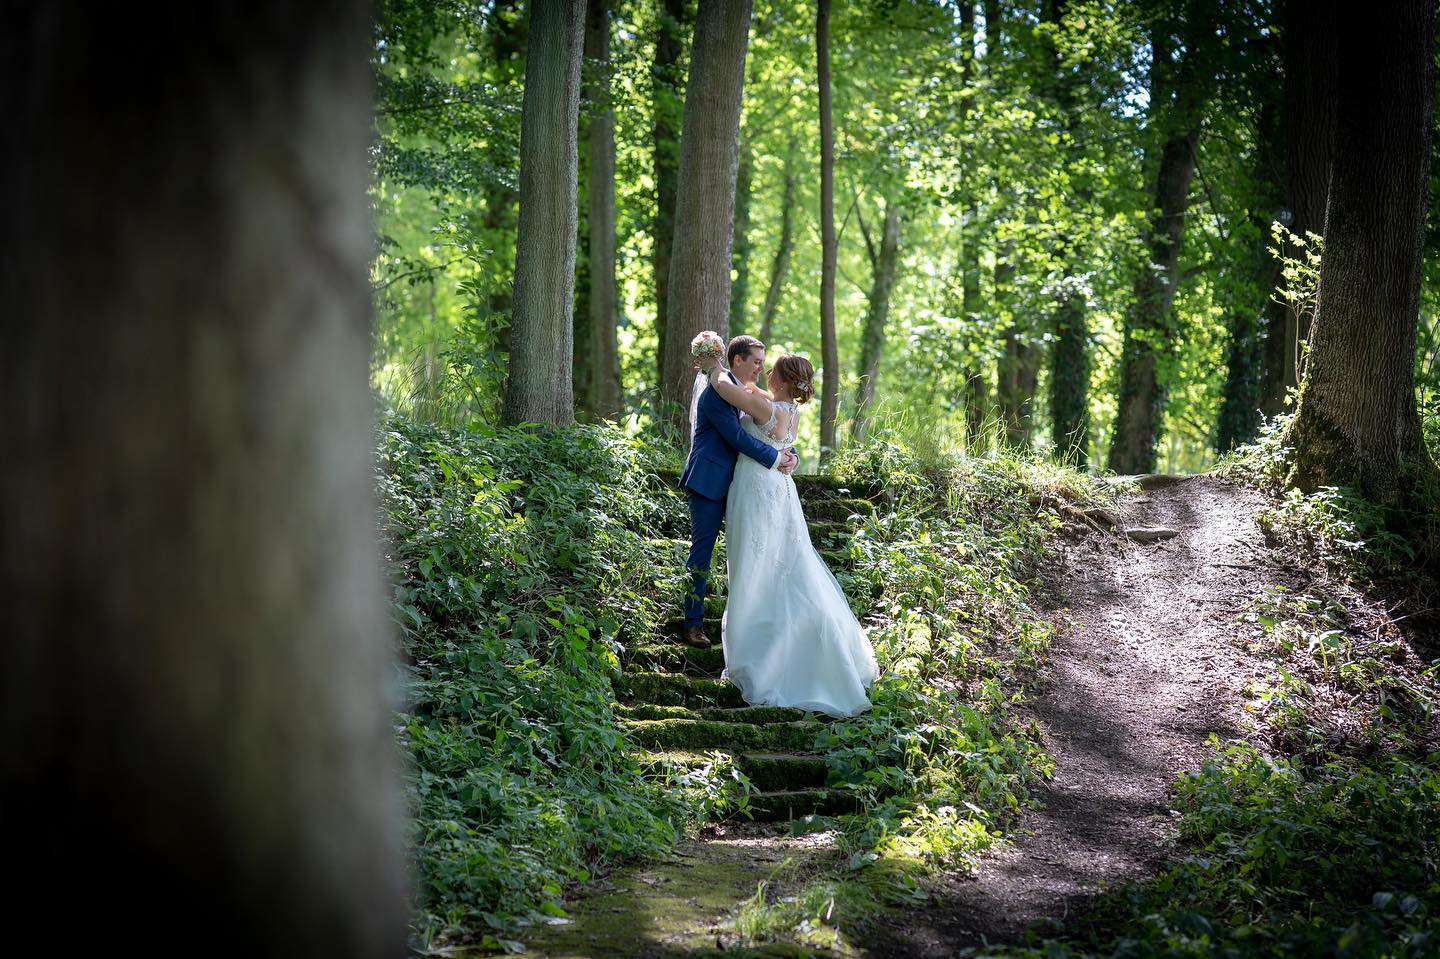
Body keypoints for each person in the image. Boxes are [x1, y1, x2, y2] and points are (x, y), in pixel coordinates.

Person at [696, 351, 879, 718]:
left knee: (753, 565)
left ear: (779, 380)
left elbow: (723, 387)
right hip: (778, 490)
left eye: (771, 369)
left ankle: (760, 655)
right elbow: (750, 392)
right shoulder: (789, 412)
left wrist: (712, 359)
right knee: (782, 563)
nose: (764, 372)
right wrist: (789, 455)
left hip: (756, 488)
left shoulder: (765, 410)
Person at [679, 336, 798, 649]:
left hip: (740, 486)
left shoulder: (741, 392)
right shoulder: (716, 391)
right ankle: (692, 624)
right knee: (702, 552)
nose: (761, 368)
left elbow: (772, 426)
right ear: (737, 361)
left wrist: (790, 455)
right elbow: (735, 436)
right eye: (756, 361)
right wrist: (775, 459)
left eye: (762, 362)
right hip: (708, 480)